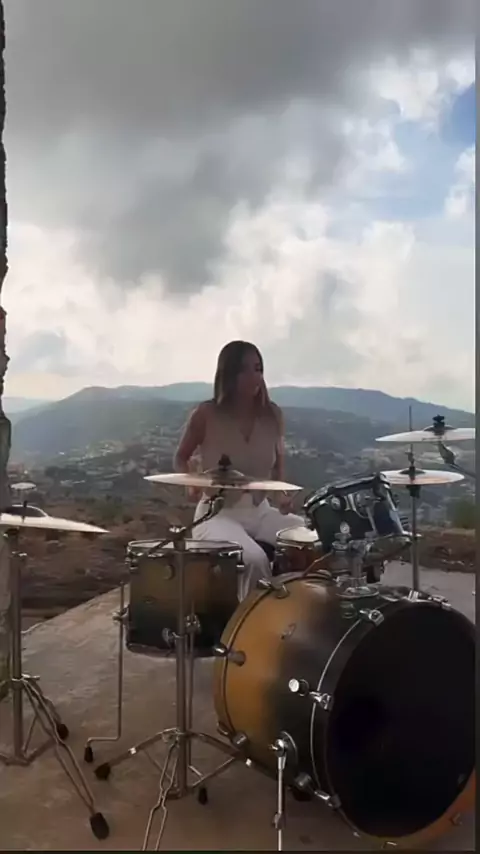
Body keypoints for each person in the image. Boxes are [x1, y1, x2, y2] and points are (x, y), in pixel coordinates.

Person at [174, 340, 304, 600]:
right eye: (245, 370)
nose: (254, 377)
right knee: (254, 559)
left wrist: (282, 496)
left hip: (260, 510)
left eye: (258, 369)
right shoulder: (206, 414)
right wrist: (191, 485)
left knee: (307, 537)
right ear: (229, 374)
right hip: (216, 514)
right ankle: (252, 623)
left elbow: (279, 463)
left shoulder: (273, 415)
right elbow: (181, 457)